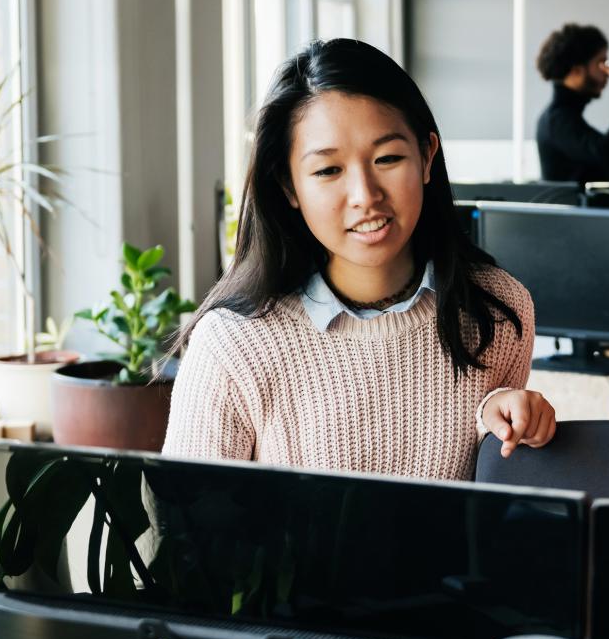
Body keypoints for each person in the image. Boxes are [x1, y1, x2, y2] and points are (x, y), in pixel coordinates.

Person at [163, 38, 556, 478]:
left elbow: (483, 485)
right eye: (328, 170)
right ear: (289, 186)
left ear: (426, 157)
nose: (365, 196)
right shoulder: (233, 343)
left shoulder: (496, 310)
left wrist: (505, 420)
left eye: (387, 158)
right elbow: (187, 514)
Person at [534, 23, 609, 183]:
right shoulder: (557, 120)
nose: (607, 73)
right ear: (576, 71)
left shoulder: (559, 116)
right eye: (601, 63)